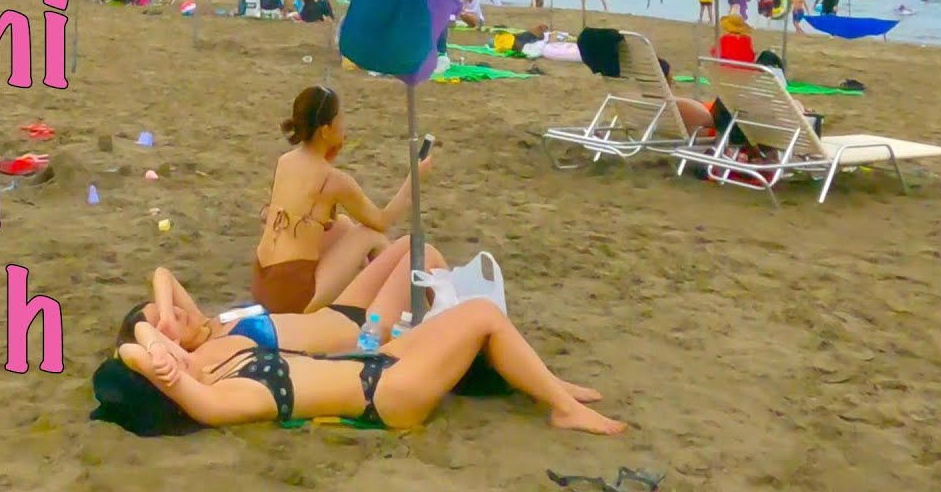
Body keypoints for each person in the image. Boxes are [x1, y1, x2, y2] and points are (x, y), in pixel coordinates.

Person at [106, 298, 626, 436]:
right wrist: (148, 358)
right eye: (158, 368)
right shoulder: (215, 400)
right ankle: (562, 409)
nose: (164, 357)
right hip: (386, 394)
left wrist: (150, 342)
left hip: (374, 364)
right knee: (483, 316)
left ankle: (552, 386)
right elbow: (135, 357)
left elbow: (138, 340)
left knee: (470, 320)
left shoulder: (207, 361)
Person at [117, 236, 448, 369]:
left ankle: (450, 321)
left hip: (337, 311)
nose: (174, 312)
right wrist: (156, 337)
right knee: (423, 255)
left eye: (168, 308)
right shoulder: (206, 356)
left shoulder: (205, 323)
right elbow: (143, 359)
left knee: (410, 243)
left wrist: (165, 315)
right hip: (360, 334)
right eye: (165, 322)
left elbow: (162, 274)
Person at [253, 86, 426, 314]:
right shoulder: (334, 180)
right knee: (369, 235)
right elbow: (381, 221)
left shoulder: (285, 161)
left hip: (262, 284)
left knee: (343, 225)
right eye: (340, 119)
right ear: (325, 130)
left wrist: (327, 156)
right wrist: (414, 180)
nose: (344, 125)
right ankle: (408, 304)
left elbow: (312, 209)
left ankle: (381, 294)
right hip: (293, 297)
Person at [658, 58, 715, 136]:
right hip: (698, 131)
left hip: (664, 128)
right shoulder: (679, 106)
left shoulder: (643, 102)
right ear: (666, 80)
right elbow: (711, 119)